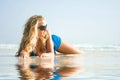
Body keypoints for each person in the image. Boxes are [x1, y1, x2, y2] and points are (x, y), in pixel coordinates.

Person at [16, 15, 83, 58]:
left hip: (54, 42)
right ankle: (57, 54)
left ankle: (56, 53)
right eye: (42, 27)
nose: (46, 29)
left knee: (79, 54)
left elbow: (51, 53)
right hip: (47, 73)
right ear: (33, 30)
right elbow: (26, 51)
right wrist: (24, 53)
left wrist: (47, 55)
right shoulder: (29, 41)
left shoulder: (47, 34)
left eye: (46, 26)